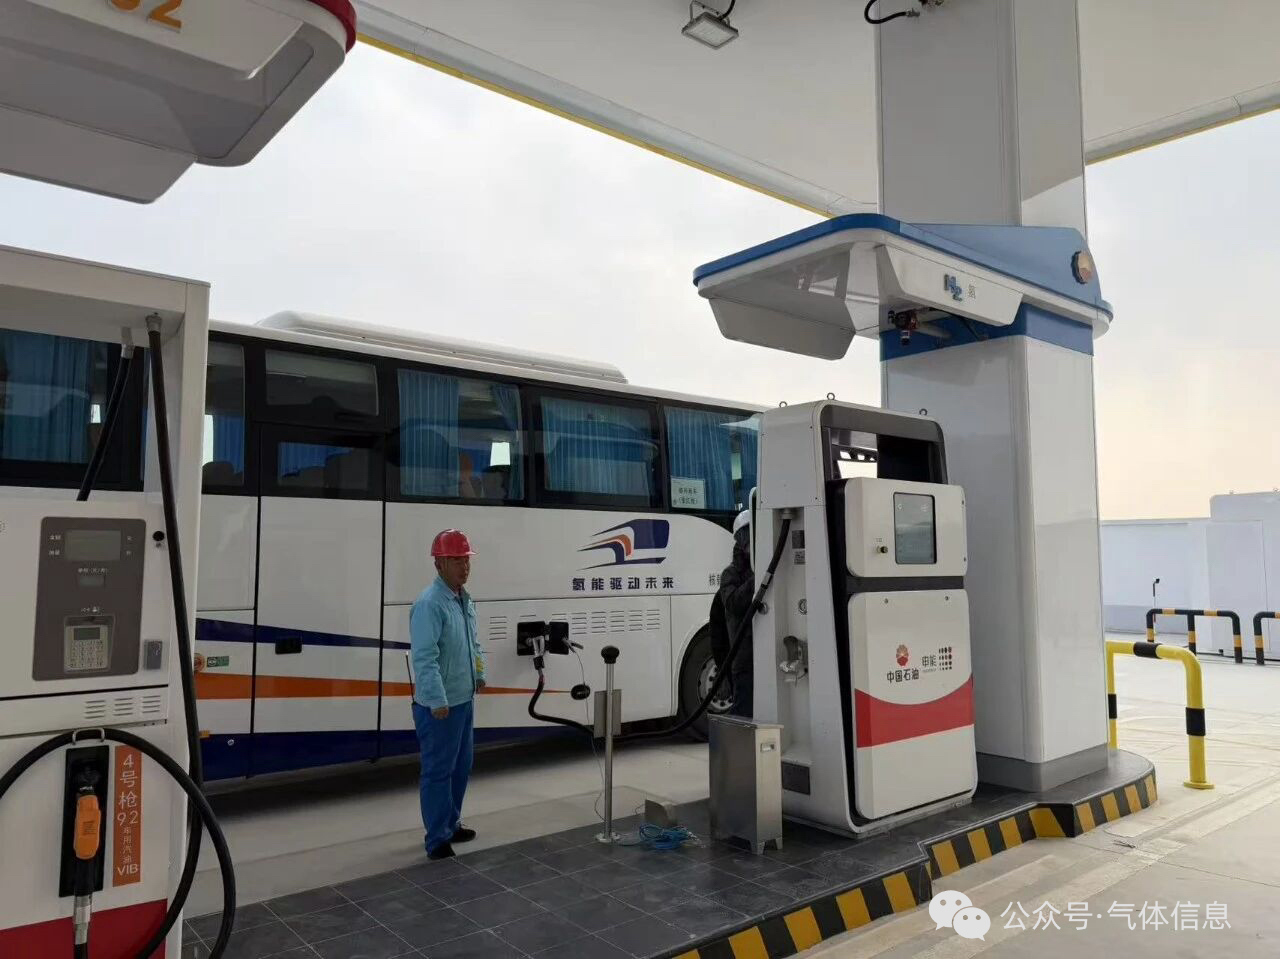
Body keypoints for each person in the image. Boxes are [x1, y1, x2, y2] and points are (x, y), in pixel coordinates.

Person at [410, 528, 487, 860]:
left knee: (460, 767)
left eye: (466, 560)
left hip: (463, 698)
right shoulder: (430, 604)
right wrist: (436, 699)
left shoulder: (463, 599)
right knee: (438, 771)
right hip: (440, 706)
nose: (464, 567)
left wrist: (479, 673)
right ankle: (437, 839)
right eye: (456, 560)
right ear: (439, 563)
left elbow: (473, 643)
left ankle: (451, 824)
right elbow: (424, 657)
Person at [716, 510, 756, 718]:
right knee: (744, 712)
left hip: (763, 656)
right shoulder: (731, 573)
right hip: (744, 658)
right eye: (745, 535)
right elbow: (733, 603)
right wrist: (756, 581)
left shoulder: (759, 568)